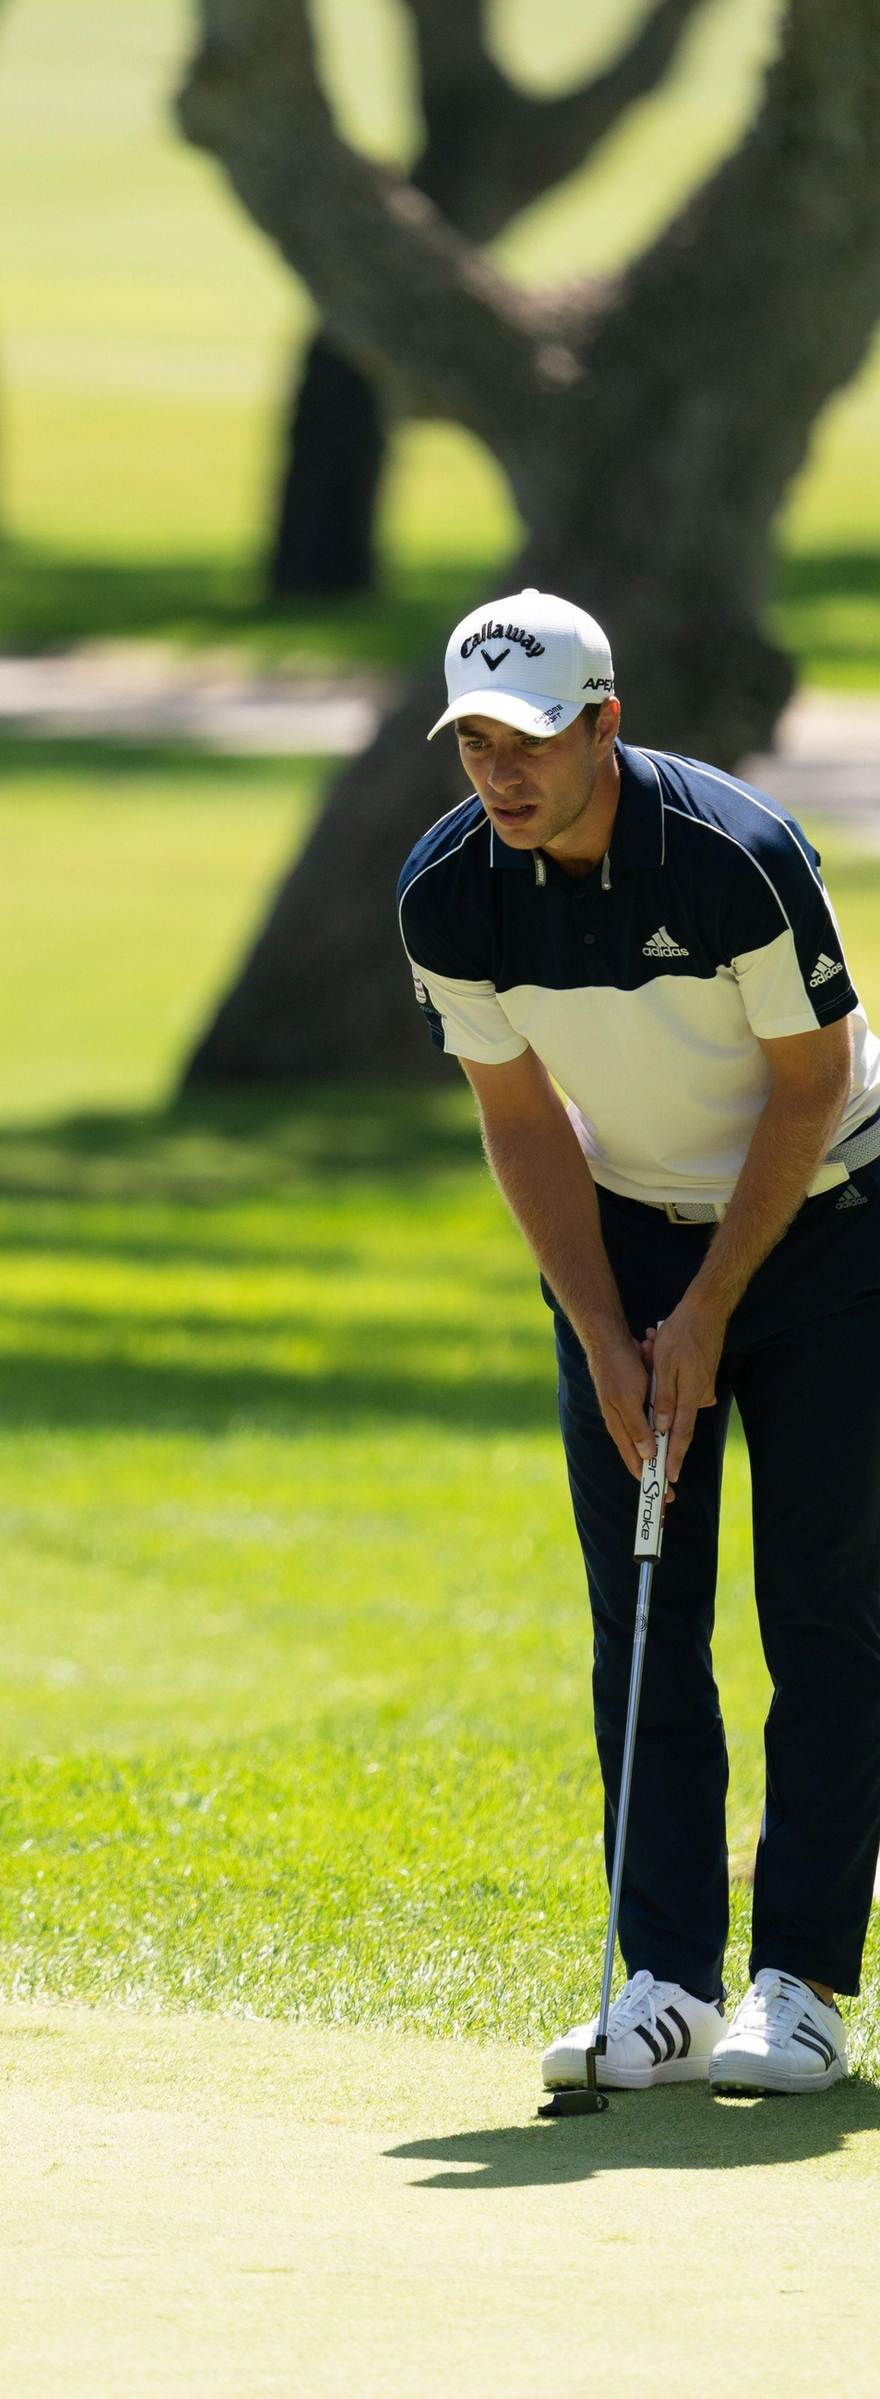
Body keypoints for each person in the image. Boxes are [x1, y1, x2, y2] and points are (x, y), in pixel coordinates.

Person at [398, 587, 880, 2097]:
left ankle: (800, 1980)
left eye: (531, 739)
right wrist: (610, 1334)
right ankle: (664, 1975)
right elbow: (520, 1118)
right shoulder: (448, 893)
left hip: (828, 1222)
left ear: (605, 725)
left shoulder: (736, 856)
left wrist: (708, 1310)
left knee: (822, 1606)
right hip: (621, 1234)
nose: (502, 773)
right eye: (475, 742)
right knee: (643, 1606)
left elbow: (812, 1086)